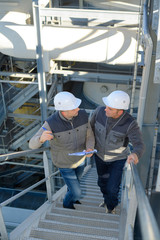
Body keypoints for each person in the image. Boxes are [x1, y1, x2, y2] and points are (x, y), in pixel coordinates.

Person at [29, 91, 95, 209]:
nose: (78, 109)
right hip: (64, 164)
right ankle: (67, 203)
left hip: (80, 160)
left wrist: (89, 147)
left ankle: (73, 198)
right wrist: (41, 139)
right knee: (77, 192)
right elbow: (32, 145)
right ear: (64, 111)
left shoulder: (83, 116)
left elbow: (89, 135)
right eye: (74, 108)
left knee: (75, 184)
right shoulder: (50, 124)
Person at [90, 90, 145, 214]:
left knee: (112, 188)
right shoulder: (99, 112)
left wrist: (135, 154)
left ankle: (111, 207)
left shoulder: (130, 123)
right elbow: (90, 129)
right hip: (99, 157)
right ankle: (107, 200)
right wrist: (88, 146)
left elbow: (139, 144)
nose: (105, 109)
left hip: (118, 160)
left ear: (119, 112)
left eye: (110, 108)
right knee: (102, 183)